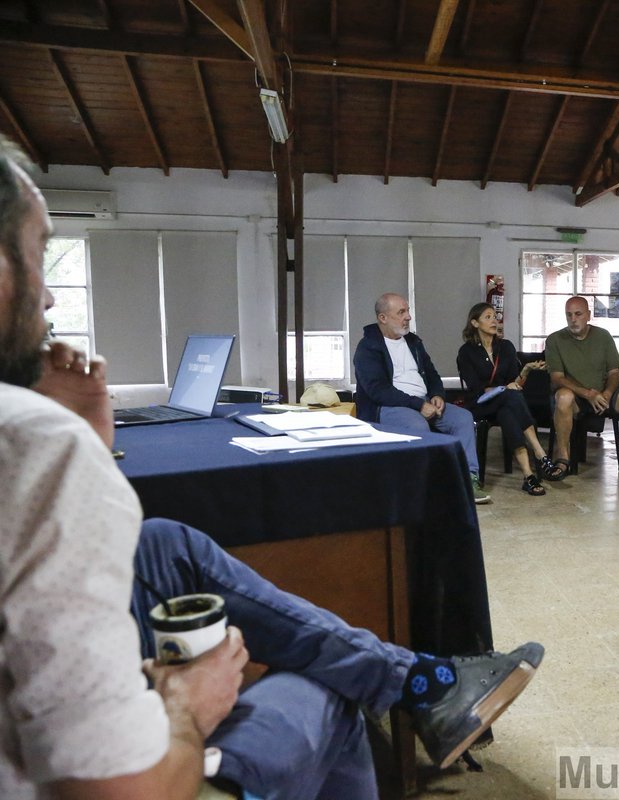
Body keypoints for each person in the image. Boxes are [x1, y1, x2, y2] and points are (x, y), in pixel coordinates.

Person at [0, 135, 544, 799]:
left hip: (431, 408)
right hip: (127, 780)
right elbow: (125, 789)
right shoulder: (26, 441)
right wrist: (185, 706)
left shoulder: (34, 436)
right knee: (327, 685)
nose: (51, 300)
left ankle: (416, 678)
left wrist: (85, 438)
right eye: (37, 256)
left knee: (163, 543)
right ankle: (418, 685)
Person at [353, 292, 490, 504]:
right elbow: (377, 390)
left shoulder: (413, 342)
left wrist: (437, 395)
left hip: (424, 400)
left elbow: (432, 373)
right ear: (383, 318)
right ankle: (423, 487)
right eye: (401, 312)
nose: (408, 316)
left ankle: (468, 481)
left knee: (463, 418)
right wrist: (418, 405)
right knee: (417, 426)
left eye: (407, 311)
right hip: (390, 406)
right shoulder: (368, 347)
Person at [456, 302, 565, 496]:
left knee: (508, 410)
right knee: (510, 397)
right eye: (487, 317)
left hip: (505, 401)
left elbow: (516, 384)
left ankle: (528, 475)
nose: (494, 321)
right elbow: (475, 388)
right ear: (475, 323)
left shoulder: (505, 347)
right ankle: (540, 454)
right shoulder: (466, 352)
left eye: (494, 316)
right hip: (480, 403)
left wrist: (526, 370)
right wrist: (503, 388)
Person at [544, 295, 619, 476]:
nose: (573, 319)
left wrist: (607, 394)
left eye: (578, 314)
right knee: (563, 396)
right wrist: (588, 394)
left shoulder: (603, 336)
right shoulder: (554, 340)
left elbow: (614, 372)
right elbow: (557, 378)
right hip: (575, 397)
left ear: (588, 315)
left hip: (603, 395)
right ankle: (563, 459)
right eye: (569, 315)